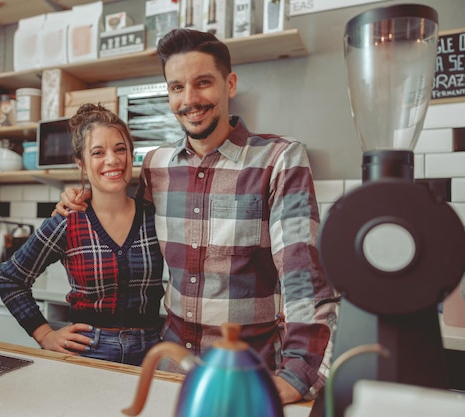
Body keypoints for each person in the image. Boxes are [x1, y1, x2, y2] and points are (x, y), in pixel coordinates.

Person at [56, 29, 337, 403]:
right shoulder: (156, 166)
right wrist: (83, 194)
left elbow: (303, 277)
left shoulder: (278, 160)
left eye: (203, 83)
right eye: (176, 87)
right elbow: (126, 219)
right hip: (171, 373)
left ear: (229, 84)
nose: (189, 100)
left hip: (248, 374)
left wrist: (299, 372)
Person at [0, 103, 165, 366]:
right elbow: (10, 280)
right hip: (88, 352)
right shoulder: (68, 221)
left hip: (152, 355)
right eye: (98, 152)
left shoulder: (155, 217)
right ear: (82, 164)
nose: (113, 160)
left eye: (120, 149)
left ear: (131, 154)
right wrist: (45, 336)